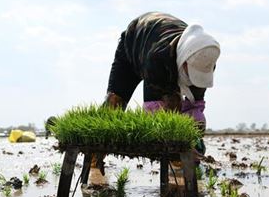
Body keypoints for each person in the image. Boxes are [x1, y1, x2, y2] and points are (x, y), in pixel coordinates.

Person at [93, 12, 219, 172]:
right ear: (185, 61)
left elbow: (195, 110)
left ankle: (178, 171)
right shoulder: (158, 59)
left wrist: (194, 140)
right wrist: (177, 144)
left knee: (181, 118)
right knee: (114, 103)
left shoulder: (204, 60)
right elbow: (154, 118)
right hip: (134, 46)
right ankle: (94, 161)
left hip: (164, 49)